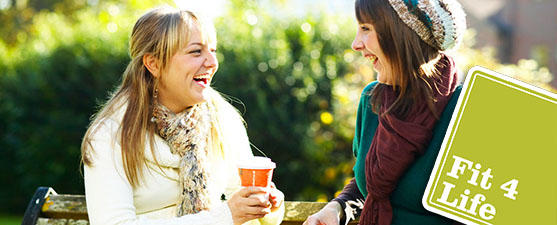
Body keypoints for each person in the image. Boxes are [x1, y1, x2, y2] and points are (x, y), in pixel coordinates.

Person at [81, 6, 284, 225]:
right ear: (154, 64)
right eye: (196, 52)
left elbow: (246, 206)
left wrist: (268, 205)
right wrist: (224, 217)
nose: (212, 63)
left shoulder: (222, 118)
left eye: (213, 51)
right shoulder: (111, 134)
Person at [304, 0, 466, 224]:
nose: (355, 44)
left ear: (401, 33)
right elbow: (372, 189)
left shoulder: (465, 112)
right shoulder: (372, 101)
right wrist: (338, 208)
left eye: (366, 29)